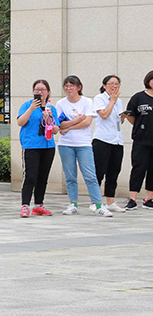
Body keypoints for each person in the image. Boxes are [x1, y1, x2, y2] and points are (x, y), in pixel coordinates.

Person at [56, 75, 111, 217]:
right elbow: (59, 124)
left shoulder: (87, 101)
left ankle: (98, 205)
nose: (68, 88)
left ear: (79, 87)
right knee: (70, 176)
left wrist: (69, 127)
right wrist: (77, 120)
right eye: (66, 86)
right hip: (65, 144)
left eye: (72, 85)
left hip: (83, 144)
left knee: (90, 175)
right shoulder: (61, 104)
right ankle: (73, 204)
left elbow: (87, 122)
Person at [16, 79, 60, 218]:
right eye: (37, 89)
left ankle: (39, 205)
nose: (40, 92)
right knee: (30, 176)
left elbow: (56, 130)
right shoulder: (27, 105)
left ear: (48, 92)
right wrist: (31, 109)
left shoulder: (51, 108)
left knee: (43, 177)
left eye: (42, 89)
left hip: (47, 146)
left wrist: (49, 120)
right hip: (31, 145)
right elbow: (20, 122)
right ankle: (25, 205)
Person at [92, 75, 126, 212]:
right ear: (104, 85)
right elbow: (104, 115)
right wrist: (112, 100)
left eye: (117, 84)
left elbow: (119, 121)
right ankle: (95, 201)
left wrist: (123, 116)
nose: (114, 86)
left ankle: (110, 202)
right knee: (99, 172)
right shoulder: (99, 98)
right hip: (102, 140)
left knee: (114, 172)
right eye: (111, 83)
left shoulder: (119, 101)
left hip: (117, 140)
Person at [122, 70, 153, 211]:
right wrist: (140, 126)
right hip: (141, 140)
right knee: (138, 168)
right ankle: (132, 199)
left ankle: (149, 199)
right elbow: (130, 115)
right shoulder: (138, 97)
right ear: (148, 81)